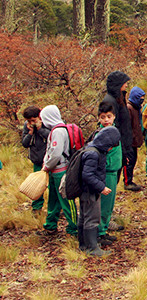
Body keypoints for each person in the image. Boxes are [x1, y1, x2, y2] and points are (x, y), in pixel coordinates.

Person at [79, 126, 121, 257]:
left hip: (86, 190)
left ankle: (84, 245)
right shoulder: (93, 154)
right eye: (111, 146)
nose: (110, 149)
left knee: (84, 217)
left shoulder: (91, 148)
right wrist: (101, 187)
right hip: (90, 191)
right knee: (92, 218)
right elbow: (87, 175)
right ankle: (92, 248)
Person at [40, 105, 78, 237]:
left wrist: (47, 166)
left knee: (66, 200)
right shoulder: (60, 129)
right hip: (56, 170)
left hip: (60, 170)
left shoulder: (58, 132)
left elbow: (55, 153)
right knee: (54, 199)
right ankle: (50, 225)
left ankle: (74, 228)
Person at [94, 102, 123, 247]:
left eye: (109, 117)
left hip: (114, 171)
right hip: (105, 173)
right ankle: (99, 233)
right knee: (104, 204)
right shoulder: (101, 135)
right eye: (103, 117)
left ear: (114, 117)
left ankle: (104, 229)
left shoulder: (114, 131)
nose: (106, 120)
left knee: (109, 204)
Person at [102, 71, 132, 191]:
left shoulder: (119, 98)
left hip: (121, 144)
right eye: (124, 83)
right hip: (116, 145)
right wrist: (123, 149)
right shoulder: (110, 101)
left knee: (116, 177)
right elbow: (114, 127)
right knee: (111, 179)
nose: (126, 85)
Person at [21, 105, 50, 212]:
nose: (31, 123)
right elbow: (25, 143)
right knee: (36, 186)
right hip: (37, 160)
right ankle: (37, 208)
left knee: (52, 186)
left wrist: (40, 129)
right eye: (29, 121)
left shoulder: (47, 122)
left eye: (33, 120)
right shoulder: (27, 126)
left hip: (50, 161)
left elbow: (52, 137)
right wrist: (30, 133)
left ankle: (54, 208)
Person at [125, 87, 145, 190]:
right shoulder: (129, 108)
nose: (142, 100)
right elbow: (127, 127)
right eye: (140, 97)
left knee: (133, 161)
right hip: (129, 142)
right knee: (129, 162)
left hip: (135, 141)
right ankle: (127, 182)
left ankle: (130, 180)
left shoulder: (137, 108)